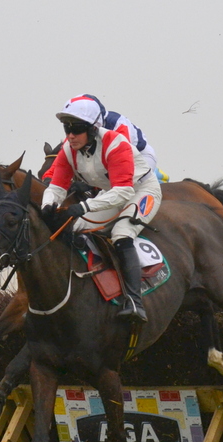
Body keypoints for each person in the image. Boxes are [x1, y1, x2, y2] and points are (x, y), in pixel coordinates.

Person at [41, 94, 162, 323]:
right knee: (72, 227)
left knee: (121, 234)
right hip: (113, 193)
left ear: (93, 128)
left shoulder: (115, 144)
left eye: (76, 129)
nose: (70, 135)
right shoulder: (69, 149)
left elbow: (124, 192)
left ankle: (135, 303)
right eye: (67, 128)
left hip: (141, 191)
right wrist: (47, 204)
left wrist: (84, 206)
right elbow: (56, 187)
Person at [42, 93, 168, 183]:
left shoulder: (118, 125)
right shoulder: (78, 134)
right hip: (107, 162)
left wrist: (88, 186)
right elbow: (63, 158)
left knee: (130, 188)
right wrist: (48, 178)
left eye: (78, 124)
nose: (72, 133)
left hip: (138, 157)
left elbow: (119, 162)